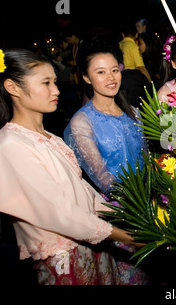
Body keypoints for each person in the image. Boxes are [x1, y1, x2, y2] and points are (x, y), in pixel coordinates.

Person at [0, 47, 141, 285]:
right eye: (46, 83)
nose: (56, 90)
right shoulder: (9, 145)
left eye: (55, 82)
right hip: (62, 261)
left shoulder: (51, 138)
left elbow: (85, 192)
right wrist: (125, 236)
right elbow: (58, 212)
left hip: (91, 246)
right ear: (12, 87)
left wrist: (126, 217)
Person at [63, 37, 151, 284]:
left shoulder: (134, 112)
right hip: (117, 215)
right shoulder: (83, 122)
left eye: (114, 70)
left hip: (150, 206)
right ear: (87, 78)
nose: (111, 77)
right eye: (101, 72)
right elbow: (102, 178)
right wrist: (135, 210)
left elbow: (146, 158)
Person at [118, 25, 152, 108]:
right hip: (133, 80)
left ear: (123, 35)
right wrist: (151, 84)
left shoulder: (119, 44)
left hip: (120, 77)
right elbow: (141, 67)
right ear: (136, 35)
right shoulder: (133, 46)